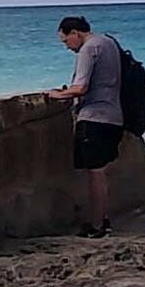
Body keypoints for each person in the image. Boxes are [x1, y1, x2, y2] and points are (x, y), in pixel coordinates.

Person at [49, 15, 129, 236]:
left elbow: (80, 88)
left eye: (65, 41)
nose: (67, 47)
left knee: (94, 174)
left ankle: (96, 225)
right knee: (101, 172)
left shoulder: (88, 49)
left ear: (75, 33)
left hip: (94, 117)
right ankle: (102, 220)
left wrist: (57, 95)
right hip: (114, 116)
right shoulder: (108, 42)